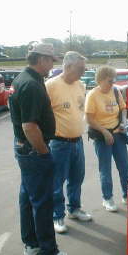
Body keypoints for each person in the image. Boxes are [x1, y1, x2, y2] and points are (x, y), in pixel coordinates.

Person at [9, 42, 66, 255]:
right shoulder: (31, 84)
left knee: (28, 198)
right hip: (33, 151)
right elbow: (29, 125)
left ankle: (31, 244)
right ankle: (48, 250)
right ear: (41, 59)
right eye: (51, 60)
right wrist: (43, 152)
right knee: (42, 203)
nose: (52, 65)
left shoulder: (24, 79)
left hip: (25, 148)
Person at [46, 51, 92, 234]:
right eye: (81, 69)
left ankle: (74, 209)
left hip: (77, 141)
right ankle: (57, 216)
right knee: (57, 181)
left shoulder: (80, 85)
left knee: (76, 178)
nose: (83, 72)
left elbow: (80, 109)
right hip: (58, 143)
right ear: (69, 66)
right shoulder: (50, 86)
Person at [85, 65, 128, 212]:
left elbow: (123, 108)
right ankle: (107, 199)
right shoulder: (92, 95)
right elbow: (89, 119)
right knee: (105, 169)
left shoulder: (116, 91)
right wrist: (105, 132)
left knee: (124, 167)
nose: (113, 84)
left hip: (118, 134)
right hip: (102, 136)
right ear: (100, 80)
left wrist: (124, 121)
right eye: (110, 81)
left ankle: (127, 195)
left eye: (114, 80)